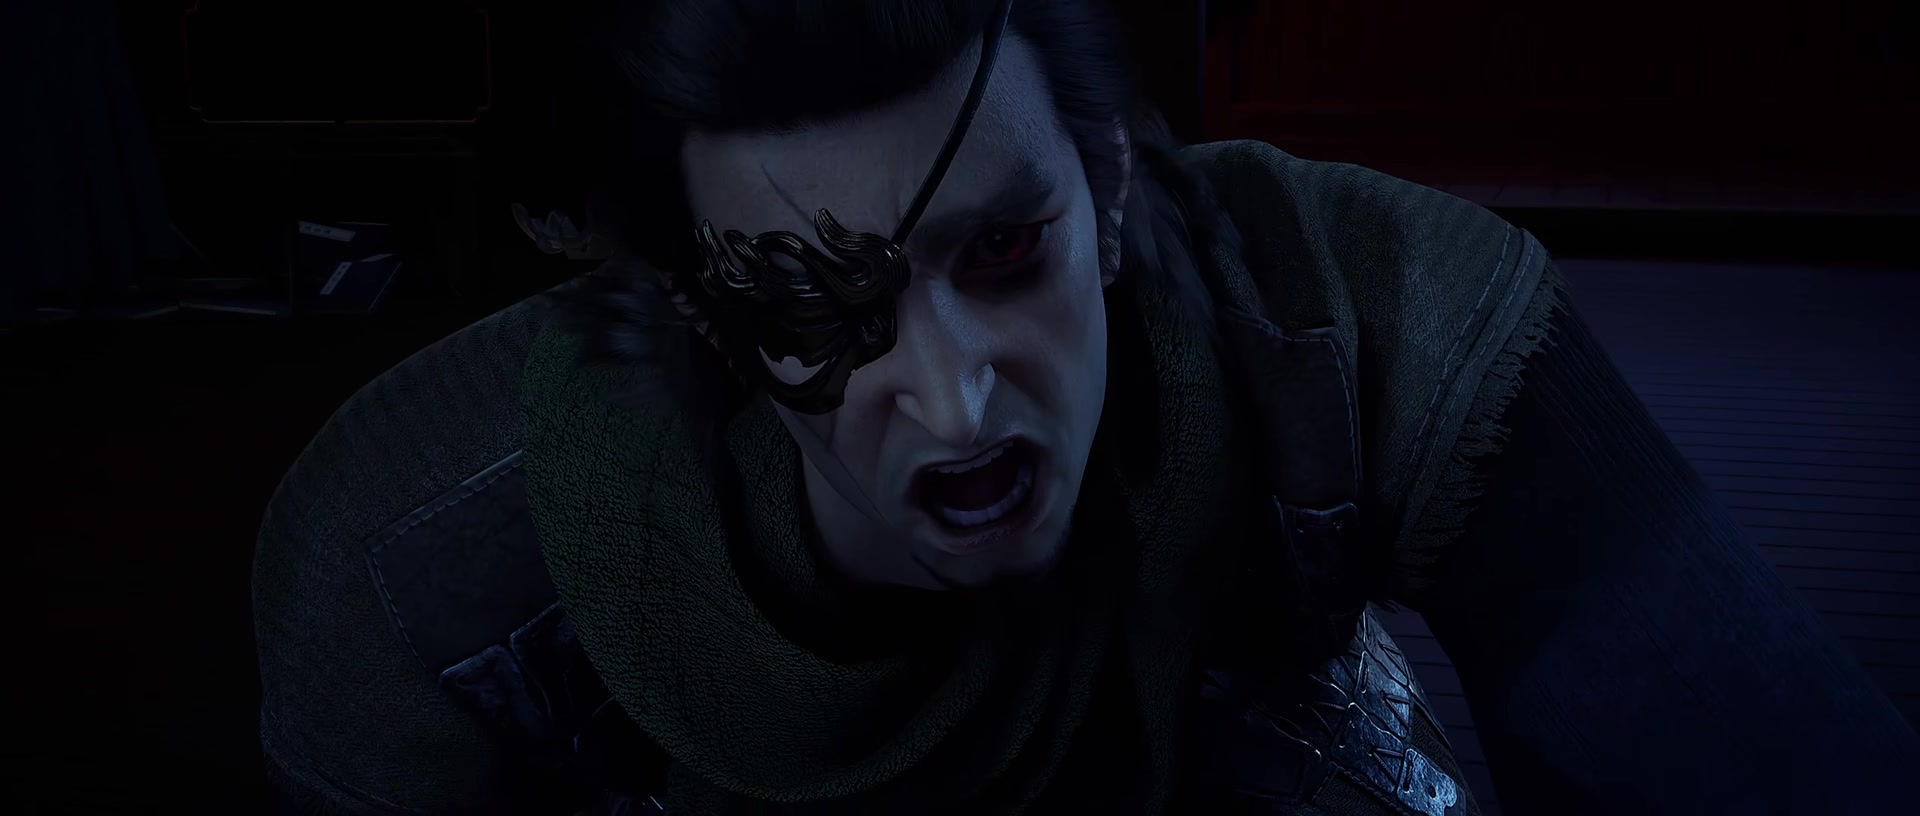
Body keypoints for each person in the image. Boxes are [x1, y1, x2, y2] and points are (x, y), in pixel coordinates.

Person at [251, 1, 1920, 814]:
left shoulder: (1372, 313)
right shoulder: (411, 575)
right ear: (697, 311)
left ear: (1110, 181)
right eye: (815, 310)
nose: (956, 392)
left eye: (1004, 250)